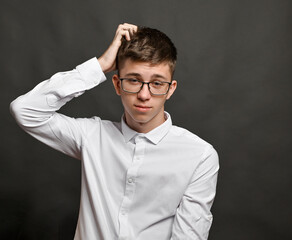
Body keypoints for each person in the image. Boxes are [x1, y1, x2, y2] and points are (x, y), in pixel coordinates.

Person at [10, 23, 219, 240]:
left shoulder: (200, 156)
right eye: (134, 80)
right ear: (118, 84)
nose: (144, 95)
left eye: (157, 83)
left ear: (170, 89)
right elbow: (25, 110)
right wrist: (99, 66)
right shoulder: (91, 136)